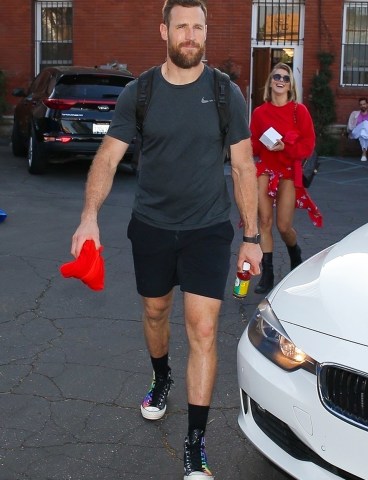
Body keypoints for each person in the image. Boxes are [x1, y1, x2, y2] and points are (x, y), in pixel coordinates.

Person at [70, 0, 262, 478]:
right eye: (182, 27)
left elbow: (242, 166)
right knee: (155, 311)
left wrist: (252, 237)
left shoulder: (225, 94)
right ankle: (161, 378)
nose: (191, 36)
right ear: (164, 31)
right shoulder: (140, 93)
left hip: (207, 230)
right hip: (152, 226)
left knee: (201, 330)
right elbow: (109, 158)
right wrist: (88, 217)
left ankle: (195, 442)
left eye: (199, 27)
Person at [249, 62, 323, 294]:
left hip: (289, 172)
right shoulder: (259, 113)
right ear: (270, 81)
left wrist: (284, 148)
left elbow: (308, 145)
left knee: (283, 225)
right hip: (265, 170)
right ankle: (268, 273)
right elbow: (252, 144)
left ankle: (295, 253)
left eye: (286, 77)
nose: (280, 80)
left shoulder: (298, 112)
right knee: (265, 222)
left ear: (290, 85)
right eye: (276, 76)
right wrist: (259, 143)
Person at [347, 97, 368, 162]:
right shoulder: (354, 113)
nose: (362, 106)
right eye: (361, 104)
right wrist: (359, 127)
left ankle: (364, 155)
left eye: (364, 104)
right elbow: (350, 126)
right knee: (365, 123)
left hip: (363, 134)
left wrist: (363, 129)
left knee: (362, 133)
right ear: (359, 106)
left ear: (367, 104)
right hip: (355, 132)